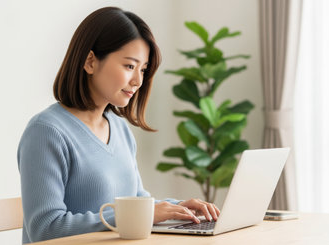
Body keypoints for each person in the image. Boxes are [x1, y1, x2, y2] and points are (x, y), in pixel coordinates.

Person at [17, 6, 219, 244]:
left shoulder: (120, 128)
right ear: (90, 61)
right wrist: (137, 215)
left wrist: (179, 207)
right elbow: (45, 228)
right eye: (129, 66)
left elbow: (136, 200)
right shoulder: (46, 132)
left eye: (143, 69)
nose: (138, 80)